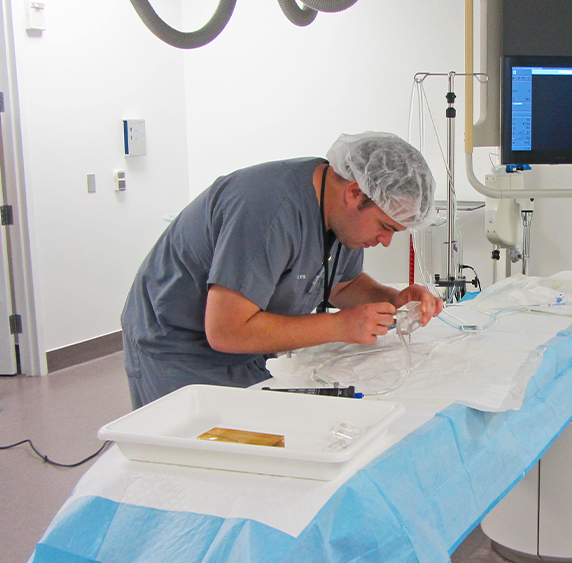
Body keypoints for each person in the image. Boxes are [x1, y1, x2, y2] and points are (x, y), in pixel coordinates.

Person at [121, 131, 443, 409]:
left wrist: (394, 297)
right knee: (197, 461)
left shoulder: (339, 216)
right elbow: (226, 330)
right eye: (385, 227)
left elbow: (340, 285)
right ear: (355, 193)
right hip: (177, 345)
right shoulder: (268, 211)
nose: (386, 241)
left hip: (244, 349)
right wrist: (338, 327)